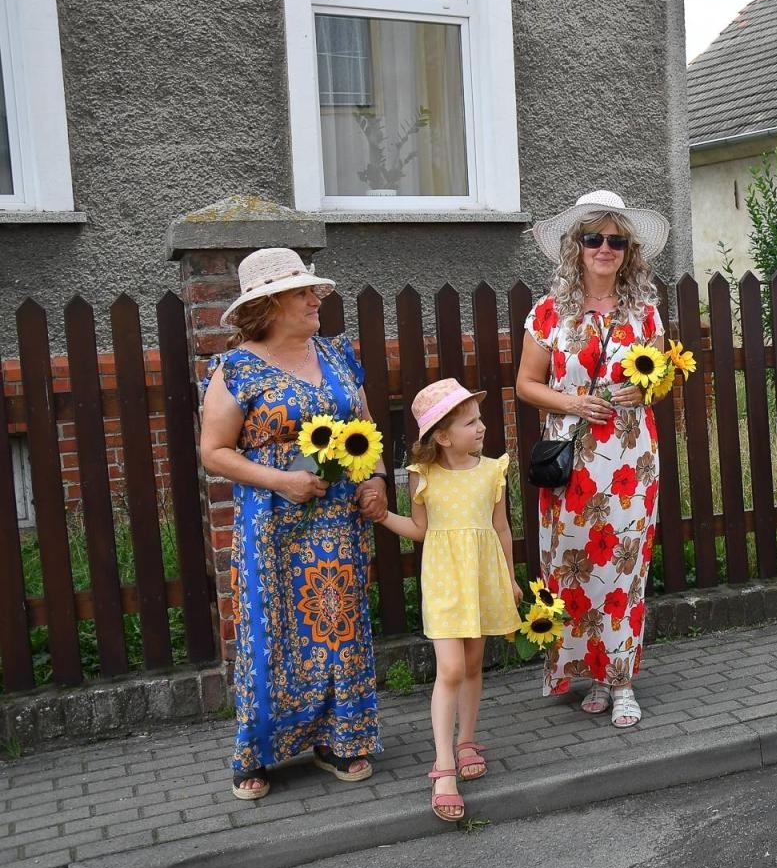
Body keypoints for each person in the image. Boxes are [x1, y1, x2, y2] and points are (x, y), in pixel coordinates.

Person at [199, 247, 389, 800]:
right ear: (271, 305)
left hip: (338, 522)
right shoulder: (238, 368)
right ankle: (258, 752)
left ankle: (339, 739)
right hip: (274, 525)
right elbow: (214, 452)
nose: (316, 299)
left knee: (340, 628)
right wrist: (281, 480)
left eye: (314, 291)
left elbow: (368, 427)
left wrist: (375, 480)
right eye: (304, 292)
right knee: (274, 634)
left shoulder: (337, 353)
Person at [515, 189, 667, 729]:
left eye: (616, 240)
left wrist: (644, 392)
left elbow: (659, 377)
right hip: (572, 459)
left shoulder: (645, 314)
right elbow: (526, 385)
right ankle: (588, 672)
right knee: (574, 566)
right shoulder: (550, 312)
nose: (605, 248)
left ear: (629, 252)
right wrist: (573, 400)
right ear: (574, 247)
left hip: (630, 459)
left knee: (622, 569)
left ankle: (621, 680)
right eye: (593, 238)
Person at [375, 378, 522, 822]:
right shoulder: (425, 477)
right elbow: (421, 530)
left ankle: (467, 739)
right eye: (470, 421)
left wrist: (511, 581)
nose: (481, 427)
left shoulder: (492, 470)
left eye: (479, 420)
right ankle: (443, 766)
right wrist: (383, 518)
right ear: (442, 435)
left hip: (482, 578)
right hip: (443, 581)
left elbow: (500, 530)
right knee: (451, 668)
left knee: (474, 665)